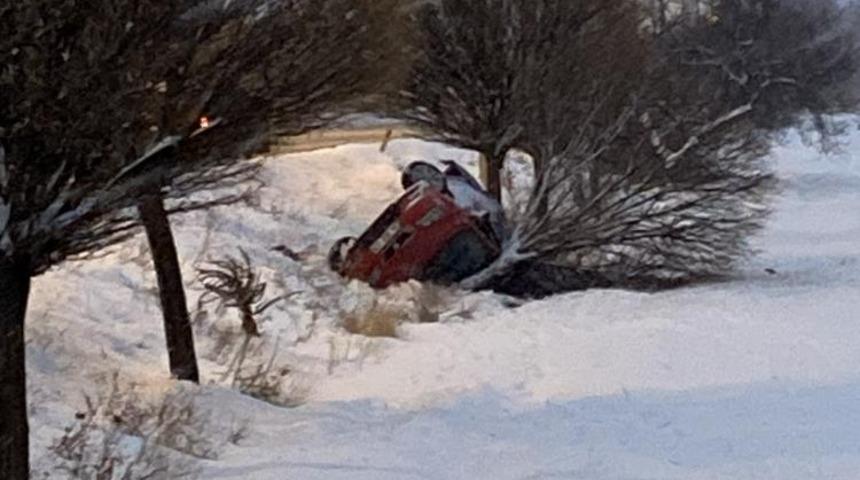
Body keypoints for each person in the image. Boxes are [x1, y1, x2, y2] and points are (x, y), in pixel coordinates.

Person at [400, 160, 507, 243]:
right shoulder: (426, 215)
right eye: (424, 180)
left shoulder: (460, 187)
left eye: (431, 173)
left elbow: (495, 210)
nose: (431, 178)